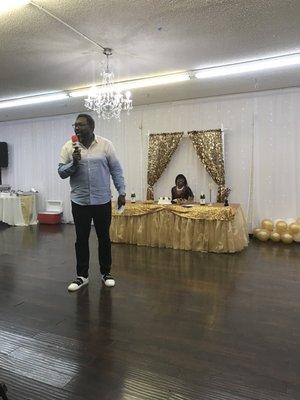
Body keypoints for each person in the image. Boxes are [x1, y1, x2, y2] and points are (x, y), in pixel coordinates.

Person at [58, 114, 126, 292]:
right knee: (81, 239)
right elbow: (61, 172)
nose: (77, 128)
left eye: (81, 125)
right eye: (75, 125)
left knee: (104, 237)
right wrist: (74, 162)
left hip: (102, 200)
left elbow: (116, 170)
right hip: (79, 201)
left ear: (92, 126)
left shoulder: (105, 145)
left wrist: (122, 191)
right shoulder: (68, 147)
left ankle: (106, 273)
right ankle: (82, 276)